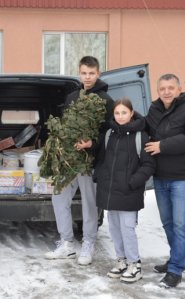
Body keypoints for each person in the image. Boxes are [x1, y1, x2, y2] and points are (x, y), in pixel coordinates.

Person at [44, 56, 114, 265]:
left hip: (90, 161)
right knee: (59, 198)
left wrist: (92, 143)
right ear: (79, 73)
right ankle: (66, 243)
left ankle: (88, 243)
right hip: (68, 161)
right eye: (84, 73)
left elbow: (108, 131)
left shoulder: (105, 100)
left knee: (89, 204)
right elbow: (67, 126)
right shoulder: (72, 97)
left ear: (98, 74)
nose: (88, 77)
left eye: (92, 73)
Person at [144, 74, 185, 288]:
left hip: (182, 178)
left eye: (171, 87)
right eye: (162, 88)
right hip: (161, 176)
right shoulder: (154, 110)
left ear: (179, 88)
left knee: (181, 225)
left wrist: (163, 146)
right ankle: (176, 259)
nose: (166, 92)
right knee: (169, 223)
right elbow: (143, 132)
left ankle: (176, 269)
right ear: (158, 90)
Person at [91, 98, 155, 283]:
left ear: (131, 113)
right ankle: (121, 261)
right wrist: (100, 177)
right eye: (117, 113)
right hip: (110, 192)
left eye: (124, 113)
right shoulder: (109, 134)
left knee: (127, 229)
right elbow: (102, 160)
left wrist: (133, 182)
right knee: (114, 228)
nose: (120, 116)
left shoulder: (140, 136)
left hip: (129, 191)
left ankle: (135, 265)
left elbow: (149, 164)